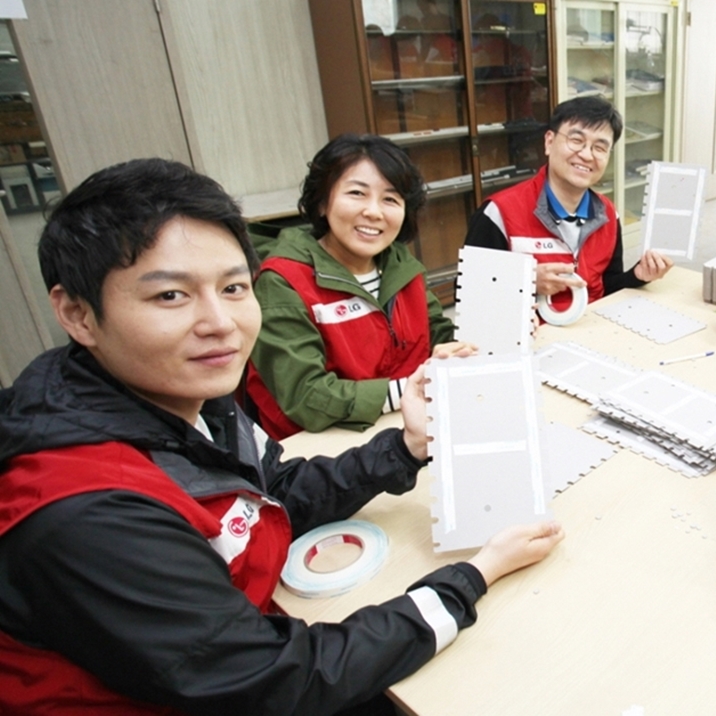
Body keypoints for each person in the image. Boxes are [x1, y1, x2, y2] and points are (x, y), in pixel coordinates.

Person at [0, 157, 564, 716]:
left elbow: (271, 492)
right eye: (170, 296)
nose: (220, 322)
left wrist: (406, 446)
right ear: (77, 314)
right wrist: (471, 577)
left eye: (233, 288)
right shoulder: (87, 512)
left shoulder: (187, 397)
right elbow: (272, 682)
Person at [247, 133, 474, 440]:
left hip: (407, 428)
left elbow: (436, 333)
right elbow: (306, 397)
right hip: (325, 451)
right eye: (357, 193)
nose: (374, 212)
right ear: (323, 202)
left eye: (390, 199)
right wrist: (409, 389)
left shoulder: (399, 264)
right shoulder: (282, 282)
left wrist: (482, 338)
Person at [464, 95, 673, 313]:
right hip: (529, 338)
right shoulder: (498, 213)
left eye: (600, 148)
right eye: (576, 141)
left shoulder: (608, 214)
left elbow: (605, 288)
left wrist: (637, 276)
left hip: (591, 331)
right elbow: (470, 296)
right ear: (549, 142)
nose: (586, 155)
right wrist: (526, 282)